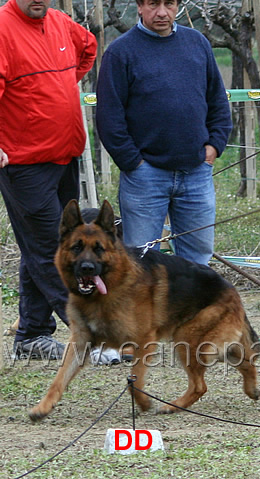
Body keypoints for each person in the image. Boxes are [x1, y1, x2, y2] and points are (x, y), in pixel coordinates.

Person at [96, 0, 232, 266]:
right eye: (153, 4)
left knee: (197, 262)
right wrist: (133, 163)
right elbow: (109, 118)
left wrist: (214, 147)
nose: (161, 12)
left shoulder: (197, 44)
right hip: (145, 177)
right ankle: (143, 310)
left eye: (169, 4)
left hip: (196, 173)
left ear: (177, 6)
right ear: (139, 6)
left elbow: (217, 100)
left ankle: (189, 309)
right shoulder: (120, 52)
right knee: (140, 263)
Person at [0, 0, 97, 360]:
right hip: (22, 161)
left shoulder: (59, 21)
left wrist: (58, 86)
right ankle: (88, 334)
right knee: (52, 249)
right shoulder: (2, 28)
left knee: (38, 246)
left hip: (63, 153)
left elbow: (88, 47)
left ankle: (31, 335)